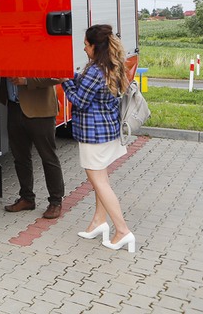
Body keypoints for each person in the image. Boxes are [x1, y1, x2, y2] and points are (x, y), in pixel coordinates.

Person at [62, 24, 135, 252]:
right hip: (106, 131)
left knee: (99, 182)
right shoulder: (107, 65)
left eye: (85, 44)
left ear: (95, 46)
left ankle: (122, 231)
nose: (83, 49)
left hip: (94, 134)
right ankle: (99, 222)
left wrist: (63, 81)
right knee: (100, 180)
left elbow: (81, 100)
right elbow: (86, 85)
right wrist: (71, 75)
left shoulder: (96, 69)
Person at [1, 77, 65, 219]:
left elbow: (58, 77)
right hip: (14, 107)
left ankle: (55, 202)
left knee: (48, 157)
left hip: (40, 109)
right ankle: (27, 198)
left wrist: (27, 81)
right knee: (20, 157)